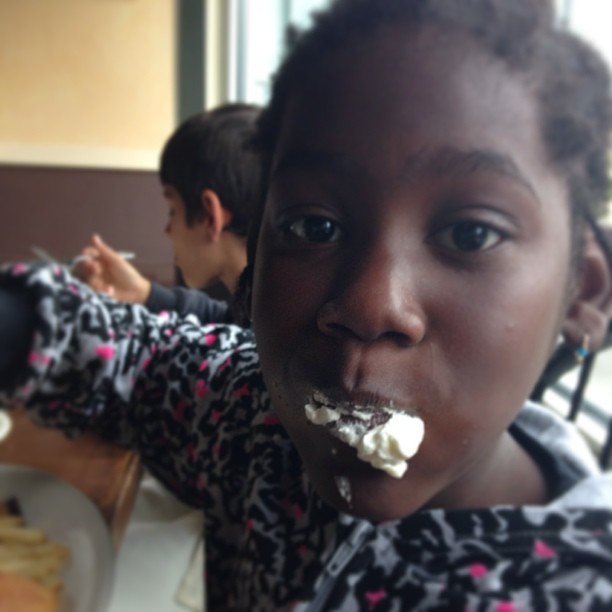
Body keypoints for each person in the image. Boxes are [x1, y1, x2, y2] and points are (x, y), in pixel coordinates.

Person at [1, 0, 612, 609]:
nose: (371, 307)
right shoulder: (251, 424)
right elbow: (114, 352)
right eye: (314, 227)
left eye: (469, 234)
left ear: (582, 291)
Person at [74, 102, 262, 323]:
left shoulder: (271, 347)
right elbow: (224, 319)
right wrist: (143, 293)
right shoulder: (262, 318)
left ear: (211, 216)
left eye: (172, 211)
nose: (168, 231)